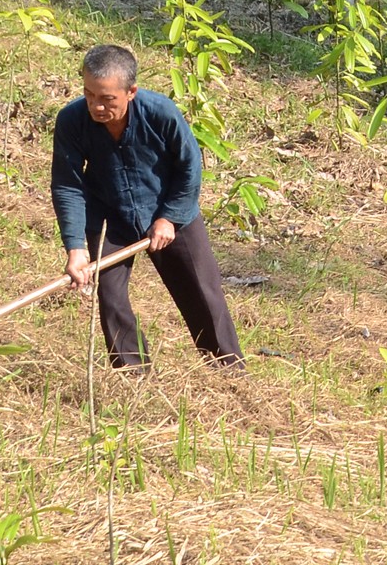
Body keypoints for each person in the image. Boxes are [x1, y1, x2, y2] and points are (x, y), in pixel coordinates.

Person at [51, 44, 244, 371]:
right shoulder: (72, 121)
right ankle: (132, 374)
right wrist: (76, 248)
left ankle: (227, 368)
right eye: (89, 94)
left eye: (107, 99)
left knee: (202, 293)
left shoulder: (161, 113)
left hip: (169, 208)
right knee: (111, 298)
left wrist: (168, 218)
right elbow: (68, 184)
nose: (96, 106)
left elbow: (189, 167)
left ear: (131, 92)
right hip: (109, 215)